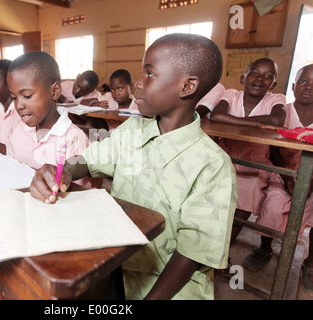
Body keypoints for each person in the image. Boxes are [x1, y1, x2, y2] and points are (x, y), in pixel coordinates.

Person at [29, 33, 237, 300]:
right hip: (117, 264)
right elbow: (90, 160)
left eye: (149, 74)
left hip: (167, 287)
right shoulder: (134, 129)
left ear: (187, 87)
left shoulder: (213, 166)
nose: (137, 84)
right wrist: (63, 170)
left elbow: (192, 254)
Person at [0, 52, 94, 180]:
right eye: (14, 97)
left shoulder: (74, 139)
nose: (19, 105)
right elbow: (12, 152)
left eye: (27, 96)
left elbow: (78, 191)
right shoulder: (23, 128)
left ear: (55, 91)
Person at [242, 64, 313, 295]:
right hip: (282, 173)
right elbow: (271, 147)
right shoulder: (282, 111)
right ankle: (264, 248)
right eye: (303, 81)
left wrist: (308, 183)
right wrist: (285, 175)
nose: (308, 87)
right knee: (272, 205)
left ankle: (310, 264)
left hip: (312, 181)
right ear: (293, 86)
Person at [210, 57, 286, 244]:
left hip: (255, 163)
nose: (260, 79)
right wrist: (259, 124)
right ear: (243, 79)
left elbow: (277, 120)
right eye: (254, 73)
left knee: (242, 205)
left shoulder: (276, 98)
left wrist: (231, 120)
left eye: (268, 76)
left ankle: (224, 249)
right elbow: (216, 115)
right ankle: (209, 243)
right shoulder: (232, 94)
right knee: (213, 203)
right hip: (224, 157)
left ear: (273, 83)